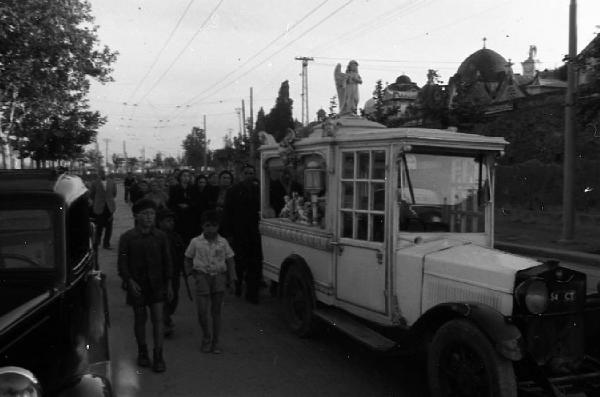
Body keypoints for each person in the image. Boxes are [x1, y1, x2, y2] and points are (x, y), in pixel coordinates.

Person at [118, 199, 173, 373]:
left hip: (157, 284)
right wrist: (129, 281)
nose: (149, 217)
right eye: (145, 214)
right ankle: (143, 352)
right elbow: (122, 263)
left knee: (158, 320)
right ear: (136, 216)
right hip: (137, 286)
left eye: (152, 214)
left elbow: (167, 261)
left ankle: (158, 355)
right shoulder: (127, 238)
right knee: (140, 319)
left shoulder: (161, 236)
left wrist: (169, 283)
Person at [184, 210, 236, 354]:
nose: (210, 229)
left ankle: (215, 342)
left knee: (216, 311)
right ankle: (206, 337)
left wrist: (232, 279)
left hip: (219, 277)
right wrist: (191, 273)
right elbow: (188, 257)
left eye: (214, 225)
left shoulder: (223, 242)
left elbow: (230, 260)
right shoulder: (195, 242)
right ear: (202, 226)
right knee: (202, 312)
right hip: (202, 277)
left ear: (218, 226)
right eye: (207, 225)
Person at [223, 164, 262, 303]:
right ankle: (238, 286)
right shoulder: (233, 191)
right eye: (246, 173)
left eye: (251, 173)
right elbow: (227, 213)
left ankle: (252, 293)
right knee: (239, 263)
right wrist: (229, 234)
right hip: (238, 233)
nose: (249, 175)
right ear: (241, 175)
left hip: (255, 233)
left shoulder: (259, 190)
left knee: (254, 264)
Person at [156, 208, 185, 338]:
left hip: (174, 273)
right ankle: (165, 322)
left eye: (172, 220)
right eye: (168, 221)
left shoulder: (175, 236)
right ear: (160, 222)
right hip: (159, 274)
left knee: (173, 299)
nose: (171, 223)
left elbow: (181, 252)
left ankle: (166, 318)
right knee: (163, 298)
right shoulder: (155, 237)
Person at [89, 168, 117, 250]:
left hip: (109, 207)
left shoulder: (112, 182)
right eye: (101, 173)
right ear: (99, 174)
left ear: (106, 173)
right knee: (99, 226)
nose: (103, 174)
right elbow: (92, 195)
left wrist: (109, 200)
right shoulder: (94, 183)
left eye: (104, 172)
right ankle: (97, 242)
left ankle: (106, 244)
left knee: (109, 227)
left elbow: (114, 194)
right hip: (99, 207)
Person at [167, 170, 196, 244]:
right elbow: (171, 201)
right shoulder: (174, 188)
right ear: (180, 177)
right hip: (178, 214)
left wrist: (189, 205)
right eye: (184, 176)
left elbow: (196, 201)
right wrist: (178, 205)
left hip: (190, 214)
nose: (186, 178)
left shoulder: (193, 188)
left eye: (188, 176)